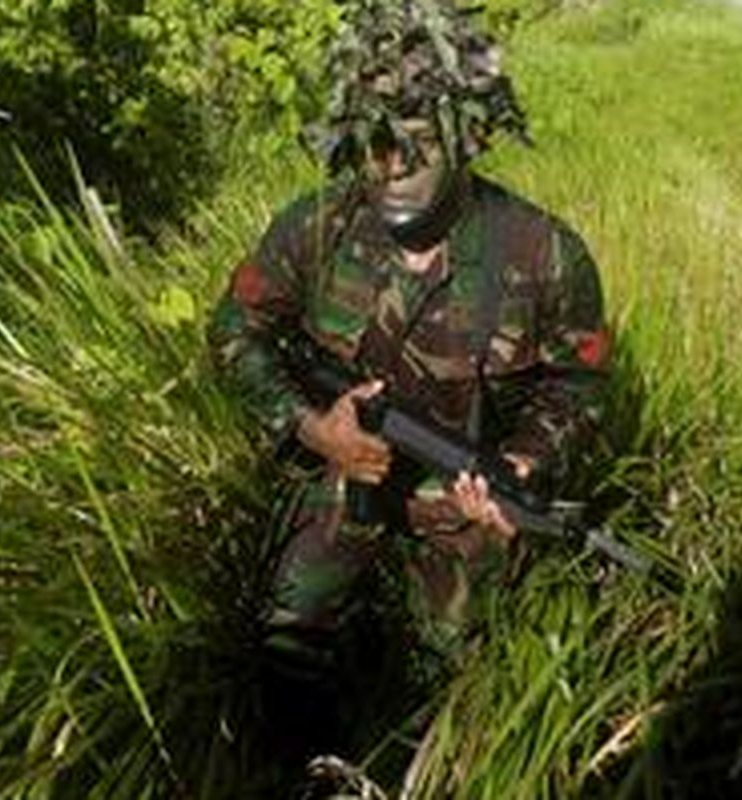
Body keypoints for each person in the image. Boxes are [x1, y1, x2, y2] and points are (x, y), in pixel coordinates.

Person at [208, 0, 612, 661]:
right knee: (287, 637)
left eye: (415, 140)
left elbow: (579, 386)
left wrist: (526, 462)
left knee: (462, 662)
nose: (391, 165)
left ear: (466, 133)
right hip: (336, 473)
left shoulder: (544, 254)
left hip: (461, 498)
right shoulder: (317, 227)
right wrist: (313, 428)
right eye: (372, 141)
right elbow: (234, 330)